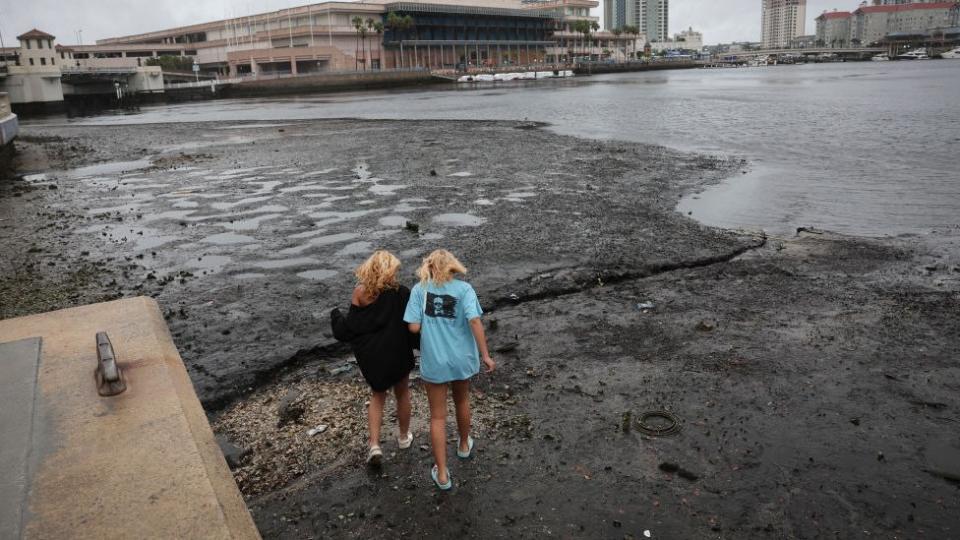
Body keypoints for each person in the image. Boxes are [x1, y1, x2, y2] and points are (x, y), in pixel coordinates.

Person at [404, 249, 495, 490]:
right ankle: (464, 445)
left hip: (435, 360)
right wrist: (485, 354)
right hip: (462, 358)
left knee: (437, 416)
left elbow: (412, 327)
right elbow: (474, 321)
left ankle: (442, 474)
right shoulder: (464, 290)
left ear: (429, 266)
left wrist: (428, 326)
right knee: (462, 401)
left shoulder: (419, 290)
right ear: (453, 267)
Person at [330, 250, 416, 467]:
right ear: (390, 271)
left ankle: (375, 444)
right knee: (402, 393)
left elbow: (353, 326)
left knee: (377, 397)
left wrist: (335, 316)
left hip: (374, 356)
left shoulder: (360, 292)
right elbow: (411, 325)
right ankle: (404, 437)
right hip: (398, 351)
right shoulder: (402, 292)